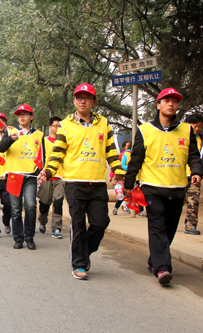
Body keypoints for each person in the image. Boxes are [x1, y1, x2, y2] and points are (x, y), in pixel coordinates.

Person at [38, 83, 125, 280]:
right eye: (79, 97)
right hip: (75, 184)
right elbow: (57, 152)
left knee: (101, 223)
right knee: (77, 224)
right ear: (74, 101)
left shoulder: (103, 123)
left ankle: (84, 252)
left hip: (97, 184)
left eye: (87, 97)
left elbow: (111, 150)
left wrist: (119, 171)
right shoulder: (66, 125)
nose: (82, 100)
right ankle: (79, 264)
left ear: (94, 101)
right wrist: (49, 171)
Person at [125, 88, 203, 285]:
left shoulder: (186, 130)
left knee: (169, 229)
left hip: (177, 188)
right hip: (152, 188)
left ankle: (154, 260)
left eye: (174, 102)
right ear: (158, 105)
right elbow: (136, 159)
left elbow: (193, 154)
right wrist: (128, 183)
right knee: (157, 227)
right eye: (166, 100)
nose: (171, 104)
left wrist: (196, 172)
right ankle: (163, 269)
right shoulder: (145, 130)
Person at [0, 105, 44, 250]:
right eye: (19, 115)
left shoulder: (39, 135)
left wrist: (41, 172)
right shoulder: (11, 131)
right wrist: (10, 139)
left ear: (31, 116)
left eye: (25, 114)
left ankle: (29, 237)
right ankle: (18, 238)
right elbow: (1, 148)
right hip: (14, 175)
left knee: (31, 206)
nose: (22, 117)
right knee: (16, 209)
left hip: (30, 175)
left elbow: (43, 155)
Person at [38, 116, 65, 239]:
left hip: (60, 177)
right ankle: (43, 222)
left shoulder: (64, 142)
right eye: (55, 126)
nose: (57, 128)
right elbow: (39, 159)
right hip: (46, 177)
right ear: (50, 127)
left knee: (58, 203)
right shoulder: (44, 141)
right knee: (44, 204)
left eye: (59, 126)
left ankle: (56, 228)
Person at [183, 113, 203, 235]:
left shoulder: (200, 139)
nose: (197, 129)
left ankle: (190, 225)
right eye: (195, 126)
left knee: (193, 201)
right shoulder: (180, 137)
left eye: (199, 126)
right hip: (179, 175)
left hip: (194, 175)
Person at [112, 141, 132, 215]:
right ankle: (116, 207)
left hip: (135, 177)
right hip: (125, 176)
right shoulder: (124, 155)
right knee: (124, 193)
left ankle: (139, 210)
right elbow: (121, 165)